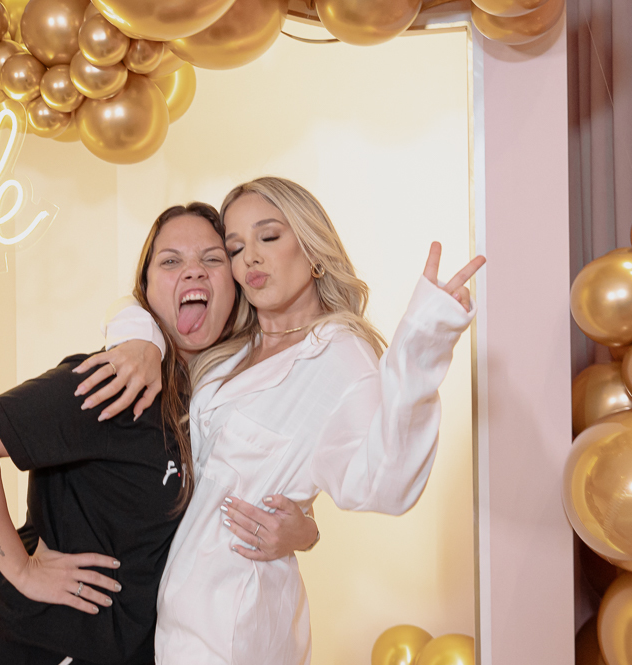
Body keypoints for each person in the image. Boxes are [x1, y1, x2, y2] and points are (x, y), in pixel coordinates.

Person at [75, 176, 485, 664]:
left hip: (237, 625)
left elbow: (384, 483)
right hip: (166, 615)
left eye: (268, 237)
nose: (250, 258)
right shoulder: (228, 345)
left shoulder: (340, 357)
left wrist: (423, 340)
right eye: (235, 248)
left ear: (312, 251)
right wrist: (140, 341)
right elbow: (141, 305)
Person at [0, 203, 319, 665]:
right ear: (146, 288)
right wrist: (21, 570)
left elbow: (264, 492)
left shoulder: (220, 401)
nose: (193, 271)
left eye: (213, 259)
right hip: (44, 642)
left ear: (236, 287)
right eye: (171, 261)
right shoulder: (112, 381)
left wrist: (303, 532)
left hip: (140, 648)